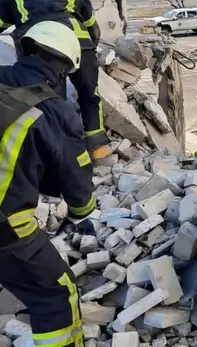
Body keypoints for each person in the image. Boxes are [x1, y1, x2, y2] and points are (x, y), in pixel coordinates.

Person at [0, 21, 96, 346]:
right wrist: (84, 213)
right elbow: (77, 189)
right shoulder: (54, 110)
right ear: (63, 71)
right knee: (57, 294)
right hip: (5, 227)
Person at [0, 0, 112, 160]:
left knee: (47, 99)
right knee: (89, 92)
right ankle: (98, 147)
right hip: (78, 39)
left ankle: (55, 153)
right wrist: (90, 46)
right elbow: (90, 22)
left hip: (38, 45)